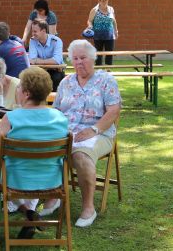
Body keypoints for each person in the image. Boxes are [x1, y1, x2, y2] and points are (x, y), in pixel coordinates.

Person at [42, 39, 121, 228]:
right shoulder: (66, 82)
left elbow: (113, 110)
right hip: (67, 131)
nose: (78, 62)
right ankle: (53, 196)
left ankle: (88, 207)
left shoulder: (106, 80)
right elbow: (58, 110)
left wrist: (94, 130)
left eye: (83, 58)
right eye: (75, 58)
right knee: (45, 149)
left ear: (93, 59)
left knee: (80, 155)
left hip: (98, 133)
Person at [0, 67, 69, 238]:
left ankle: (26, 211)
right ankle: (30, 214)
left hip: (16, 181)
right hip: (53, 181)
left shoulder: (10, 118)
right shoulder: (60, 118)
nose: (17, 90)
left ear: (26, 94)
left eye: (19, 87)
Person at [28, 20, 65, 91]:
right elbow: (32, 60)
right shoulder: (32, 41)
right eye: (32, 31)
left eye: (35, 31)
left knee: (56, 78)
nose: (33, 34)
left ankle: (53, 101)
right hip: (40, 70)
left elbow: (57, 60)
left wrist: (37, 61)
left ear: (44, 31)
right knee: (32, 79)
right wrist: (50, 61)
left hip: (56, 71)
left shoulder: (56, 41)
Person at [86, 0, 118, 65]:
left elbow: (114, 20)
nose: (104, 2)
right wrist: (90, 26)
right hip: (98, 35)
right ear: (99, 1)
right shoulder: (94, 10)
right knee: (98, 53)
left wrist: (116, 30)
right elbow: (89, 20)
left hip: (109, 35)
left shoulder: (111, 9)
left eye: (106, 0)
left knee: (109, 53)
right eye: (103, 0)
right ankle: (98, 70)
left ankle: (108, 70)